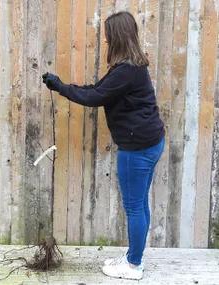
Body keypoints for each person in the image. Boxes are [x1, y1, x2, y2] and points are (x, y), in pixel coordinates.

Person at [42, 11, 165, 281]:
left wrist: (61, 87)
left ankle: (133, 265)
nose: (106, 41)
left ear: (118, 37)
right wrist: (63, 86)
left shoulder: (127, 71)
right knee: (140, 204)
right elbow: (98, 89)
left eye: (108, 37)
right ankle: (134, 255)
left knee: (134, 207)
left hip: (138, 148)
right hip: (151, 142)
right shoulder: (132, 66)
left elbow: (95, 96)